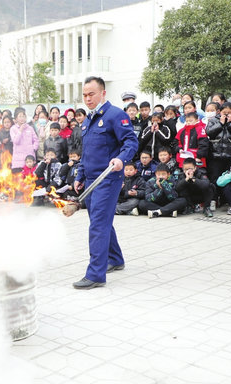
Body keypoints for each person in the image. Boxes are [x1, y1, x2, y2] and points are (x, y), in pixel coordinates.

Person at [72, 76, 138, 290]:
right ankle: (115, 259)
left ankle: (95, 274)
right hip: (91, 180)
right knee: (101, 221)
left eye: (91, 94)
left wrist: (121, 159)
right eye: (84, 95)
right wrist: (80, 176)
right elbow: (87, 153)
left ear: (103, 93)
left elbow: (131, 141)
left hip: (108, 178)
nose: (87, 98)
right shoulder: (88, 120)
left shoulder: (115, 115)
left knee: (98, 225)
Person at [10, 107, 38, 173]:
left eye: (23, 116)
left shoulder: (30, 128)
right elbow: (16, 141)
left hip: (29, 158)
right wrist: (20, 130)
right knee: (18, 178)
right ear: (16, 118)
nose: (22, 118)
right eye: (20, 116)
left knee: (30, 177)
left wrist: (33, 148)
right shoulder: (13, 129)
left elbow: (36, 140)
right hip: (18, 160)